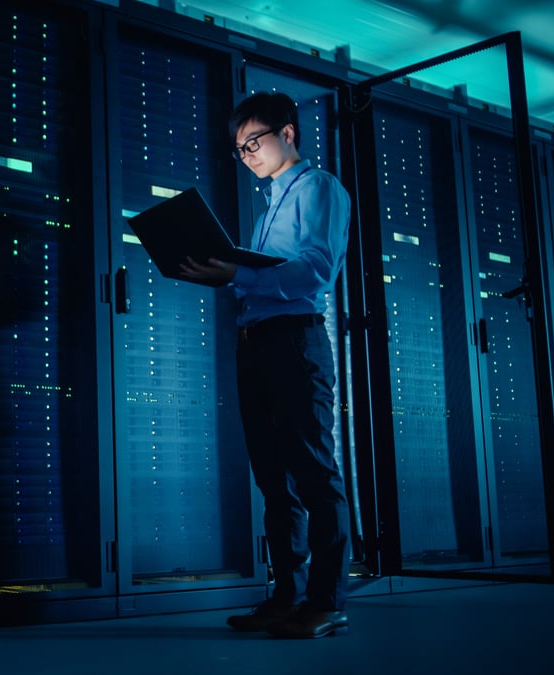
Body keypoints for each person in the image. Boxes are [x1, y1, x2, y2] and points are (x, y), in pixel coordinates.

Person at [177, 91, 352, 639]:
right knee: (274, 481)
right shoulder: (268, 207)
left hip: (294, 343)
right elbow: (262, 277)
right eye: (239, 147)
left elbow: (314, 273)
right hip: (256, 342)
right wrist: (219, 270)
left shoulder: (317, 187)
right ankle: (286, 598)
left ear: (289, 133)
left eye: (254, 140)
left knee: (313, 474)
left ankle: (326, 602)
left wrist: (237, 275)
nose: (247, 152)